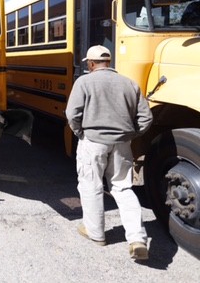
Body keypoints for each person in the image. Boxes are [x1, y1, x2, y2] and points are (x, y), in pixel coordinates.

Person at [65, 45, 153, 261]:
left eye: (88, 63)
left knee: (91, 185)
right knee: (123, 188)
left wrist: (80, 133)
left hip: (93, 142)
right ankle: (137, 239)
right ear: (109, 62)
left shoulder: (84, 82)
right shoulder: (129, 83)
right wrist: (131, 135)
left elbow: (72, 113)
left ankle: (96, 234)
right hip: (122, 144)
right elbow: (146, 118)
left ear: (91, 64)